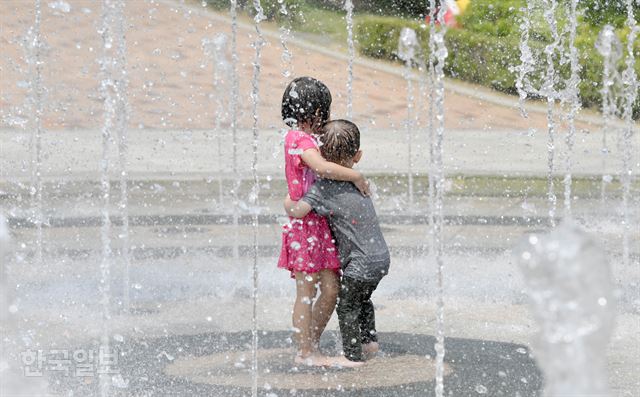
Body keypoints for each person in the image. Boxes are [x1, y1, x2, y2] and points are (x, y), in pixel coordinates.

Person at [277, 77, 370, 366]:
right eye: (324, 112)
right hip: (305, 227)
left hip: (321, 224)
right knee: (306, 291)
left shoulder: (310, 139)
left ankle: (310, 342)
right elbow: (318, 167)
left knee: (331, 289)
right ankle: (305, 352)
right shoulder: (297, 139)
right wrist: (355, 175)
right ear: (315, 111)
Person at [284, 119, 390, 368]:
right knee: (362, 297)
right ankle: (369, 340)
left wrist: (288, 201)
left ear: (321, 157)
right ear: (358, 156)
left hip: (360, 263)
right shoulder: (360, 184)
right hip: (381, 258)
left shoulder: (323, 188)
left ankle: (352, 355)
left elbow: (300, 211)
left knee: (347, 305)